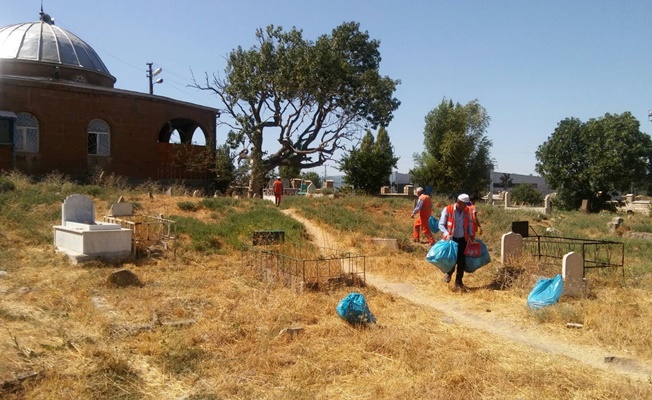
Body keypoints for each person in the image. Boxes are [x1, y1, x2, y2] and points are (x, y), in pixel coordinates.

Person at [438, 193, 475, 291]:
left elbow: (470, 224)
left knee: (461, 262)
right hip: (451, 240)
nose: (466, 206)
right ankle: (449, 273)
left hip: (463, 239)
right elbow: (441, 224)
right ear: (459, 202)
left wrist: (471, 234)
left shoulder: (466, 211)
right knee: (452, 260)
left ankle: (458, 282)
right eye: (464, 204)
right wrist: (446, 233)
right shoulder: (448, 209)